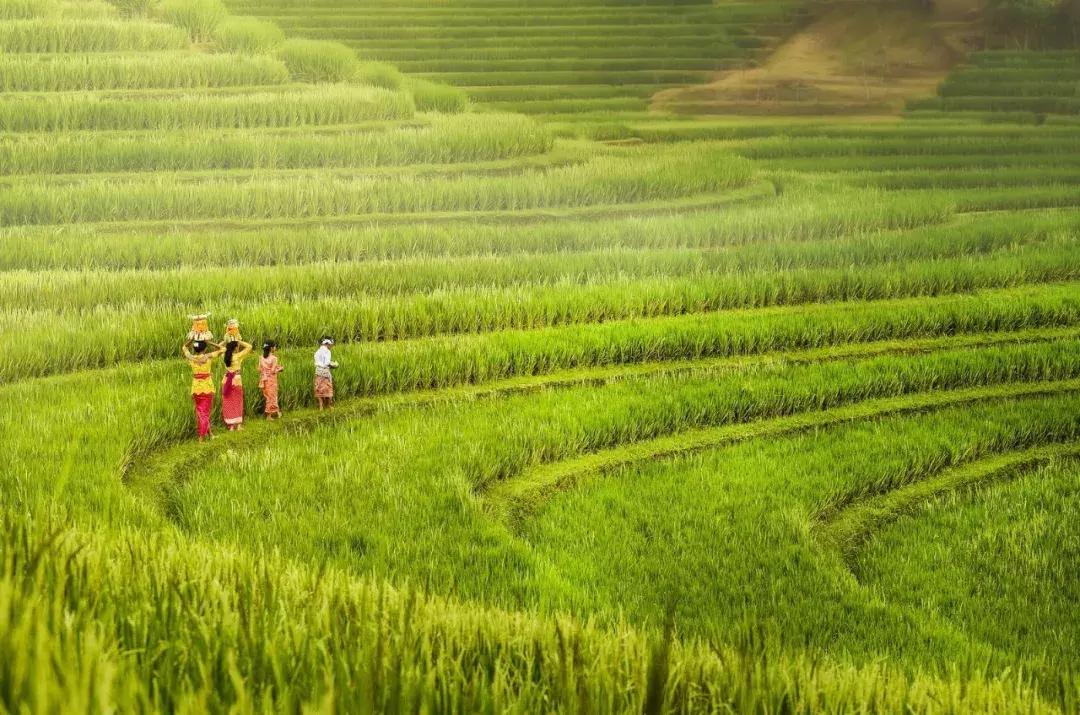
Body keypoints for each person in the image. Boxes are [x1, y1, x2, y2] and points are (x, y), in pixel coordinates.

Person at [183, 338, 224, 442]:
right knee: (204, 413)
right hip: (207, 388)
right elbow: (223, 349)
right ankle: (201, 438)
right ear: (205, 349)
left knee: (201, 412)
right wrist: (209, 342)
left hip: (196, 388)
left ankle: (210, 434)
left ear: (195, 349)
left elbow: (184, 347)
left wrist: (191, 339)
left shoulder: (191, 357)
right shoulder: (208, 357)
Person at [221, 338, 253, 430]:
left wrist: (225, 340)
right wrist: (238, 340)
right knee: (238, 401)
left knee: (228, 402)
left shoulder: (224, 355)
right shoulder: (238, 356)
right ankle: (238, 425)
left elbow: (218, 347)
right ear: (235, 348)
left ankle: (231, 426)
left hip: (226, 380)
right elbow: (249, 346)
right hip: (236, 380)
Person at [258, 340, 285, 420]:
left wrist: (265, 372)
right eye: (274, 346)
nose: (275, 348)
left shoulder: (261, 357)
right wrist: (280, 369)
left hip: (264, 379)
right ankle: (269, 416)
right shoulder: (274, 358)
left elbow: (259, 369)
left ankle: (277, 412)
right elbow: (273, 371)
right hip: (271, 380)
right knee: (272, 396)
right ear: (271, 348)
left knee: (268, 396)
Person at [314, 337, 338, 410]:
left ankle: (321, 406)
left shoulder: (317, 352)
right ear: (327, 344)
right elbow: (327, 363)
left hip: (318, 371)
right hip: (325, 372)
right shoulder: (327, 351)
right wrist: (335, 364)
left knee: (319, 388)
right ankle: (329, 405)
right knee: (328, 388)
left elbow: (317, 362)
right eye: (331, 345)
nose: (331, 346)